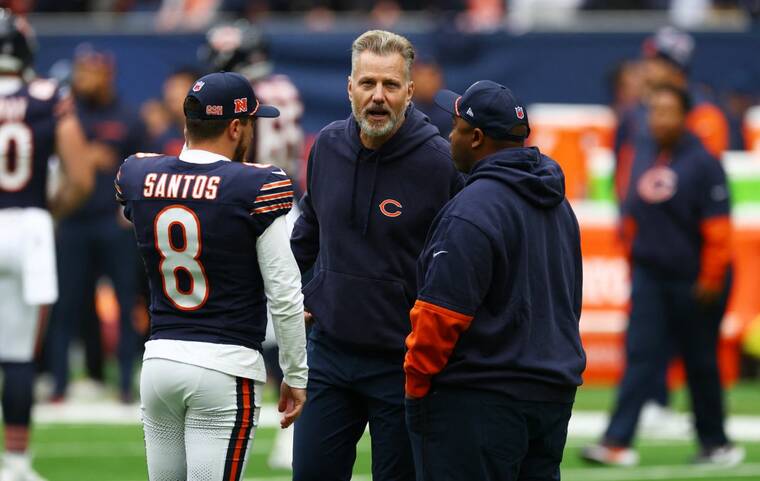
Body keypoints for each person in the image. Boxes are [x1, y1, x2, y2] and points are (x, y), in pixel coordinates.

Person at [115, 71, 308, 481]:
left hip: (160, 360)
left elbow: (142, 203)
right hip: (224, 365)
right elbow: (286, 294)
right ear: (236, 127)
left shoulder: (138, 173)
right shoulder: (257, 184)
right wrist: (295, 374)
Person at [290, 29, 462, 481]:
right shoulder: (326, 146)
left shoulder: (440, 163)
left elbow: (460, 264)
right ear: (350, 88)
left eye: (390, 85)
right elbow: (308, 230)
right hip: (328, 354)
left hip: (401, 362)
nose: (378, 97)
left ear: (409, 90)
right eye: (368, 84)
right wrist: (304, 297)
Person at [403, 80, 585, 481]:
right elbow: (570, 301)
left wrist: (416, 386)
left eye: (456, 128)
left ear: (477, 137)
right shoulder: (559, 204)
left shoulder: (472, 209)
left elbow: (440, 314)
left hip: (481, 399)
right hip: (551, 394)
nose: (450, 136)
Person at [582, 84, 745, 467]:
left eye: (668, 111)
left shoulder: (703, 162)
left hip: (696, 279)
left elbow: (719, 228)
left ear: (685, 116)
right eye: (654, 110)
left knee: (700, 362)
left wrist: (709, 277)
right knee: (639, 355)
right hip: (651, 275)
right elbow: (632, 212)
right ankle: (616, 441)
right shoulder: (643, 155)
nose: (659, 119)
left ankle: (715, 442)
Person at [0, 9, 94, 481]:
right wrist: (47, 210)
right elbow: (79, 175)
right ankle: (15, 463)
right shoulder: (46, 96)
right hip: (30, 224)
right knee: (17, 354)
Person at [45, 44, 148, 403]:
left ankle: (124, 382)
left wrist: (130, 212)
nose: (84, 77)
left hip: (111, 222)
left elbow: (147, 167)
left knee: (124, 303)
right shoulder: (64, 113)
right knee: (65, 305)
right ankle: (59, 384)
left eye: (92, 70)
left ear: (108, 72)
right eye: (81, 70)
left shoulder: (128, 116)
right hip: (72, 221)